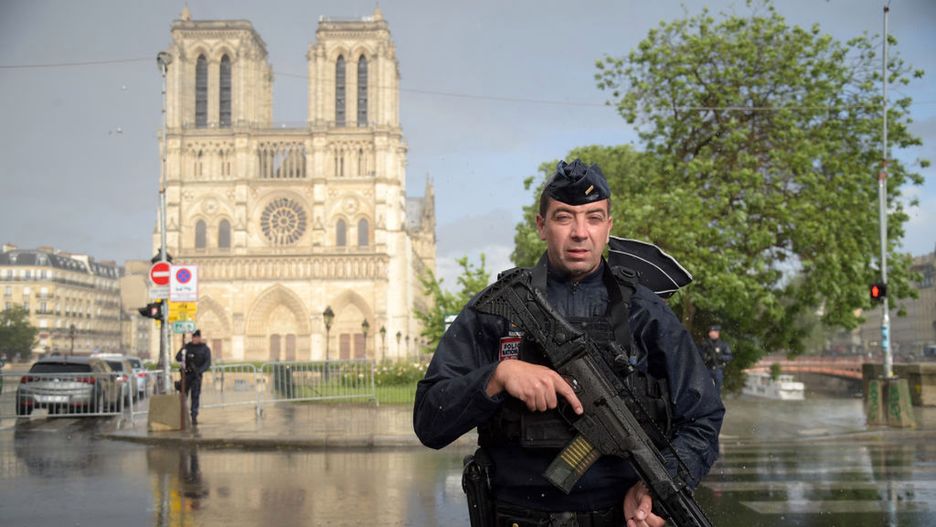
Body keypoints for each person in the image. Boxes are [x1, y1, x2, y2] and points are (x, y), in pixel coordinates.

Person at [414, 159, 724, 527]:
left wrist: (654, 490)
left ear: (608, 227)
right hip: (515, 518)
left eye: (593, 218)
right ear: (541, 226)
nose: (580, 232)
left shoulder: (645, 311)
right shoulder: (501, 308)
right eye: (564, 217)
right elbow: (429, 421)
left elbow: (703, 417)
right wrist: (497, 376)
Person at [175, 329, 212, 426]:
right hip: (186, 374)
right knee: (183, 395)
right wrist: (186, 356)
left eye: (196, 337)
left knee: (195, 396)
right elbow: (178, 357)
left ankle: (194, 416)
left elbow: (207, 362)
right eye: (194, 337)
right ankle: (182, 415)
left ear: (200, 338)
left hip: (196, 375)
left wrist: (199, 371)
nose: (195, 339)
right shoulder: (187, 347)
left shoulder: (204, 349)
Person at [699, 325, 732, 393]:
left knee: (717, 388)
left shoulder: (723, 345)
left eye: (713, 331)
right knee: (704, 388)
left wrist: (720, 357)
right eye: (710, 332)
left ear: (717, 333)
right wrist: (705, 356)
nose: (711, 333)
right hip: (707, 368)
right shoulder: (705, 344)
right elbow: (699, 354)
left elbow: (729, 357)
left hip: (718, 368)